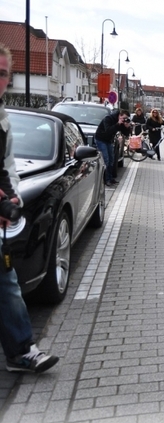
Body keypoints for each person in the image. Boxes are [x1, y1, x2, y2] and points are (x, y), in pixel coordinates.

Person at [0, 44, 59, 373]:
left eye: (4, 73)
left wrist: (13, 198)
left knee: (6, 283)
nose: (0, 79)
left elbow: (7, 167)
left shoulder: (3, 118)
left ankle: (22, 351)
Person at [95, 109, 132, 186]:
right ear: (120, 115)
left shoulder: (121, 122)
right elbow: (108, 130)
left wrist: (127, 127)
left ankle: (110, 178)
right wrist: (118, 124)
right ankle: (105, 180)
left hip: (109, 141)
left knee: (111, 160)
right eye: (123, 118)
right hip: (101, 139)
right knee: (106, 160)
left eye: (126, 118)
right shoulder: (108, 118)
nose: (124, 120)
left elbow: (126, 134)